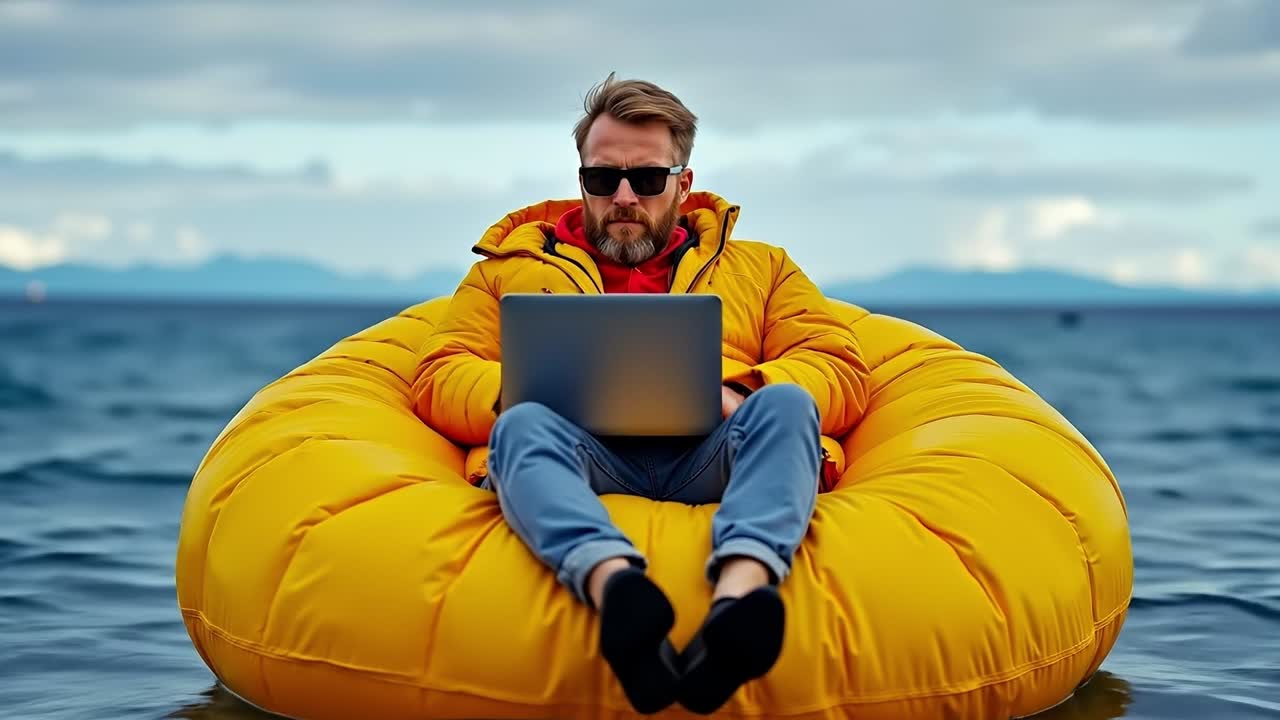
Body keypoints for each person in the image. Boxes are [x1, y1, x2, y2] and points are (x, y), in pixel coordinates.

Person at [411, 73, 869, 715]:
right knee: (519, 428)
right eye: (603, 178)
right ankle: (618, 591)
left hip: (712, 451)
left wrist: (738, 391)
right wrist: (548, 391)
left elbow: (840, 367)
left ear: (683, 182)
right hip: (585, 455)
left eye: (647, 179)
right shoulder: (504, 273)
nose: (624, 197)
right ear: (581, 181)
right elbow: (438, 376)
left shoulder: (763, 268)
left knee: (789, 405)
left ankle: (740, 606)